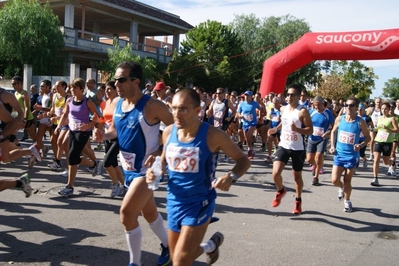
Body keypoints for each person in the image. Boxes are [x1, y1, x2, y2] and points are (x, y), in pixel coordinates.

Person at [146, 88, 250, 265]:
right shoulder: (168, 132)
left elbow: (243, 160)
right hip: (174, 202)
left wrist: (231, 176)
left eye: (183, 109)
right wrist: (155, 170)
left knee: (180, 261)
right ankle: (210, 246)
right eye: (174, 108)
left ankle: (208, 246)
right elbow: (164, 159)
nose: (177, 114)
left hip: (199, 203)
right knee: (177, 256)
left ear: (197, 111)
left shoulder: (213, 135)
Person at [92, 61, 174, 266]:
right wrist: (103, 135)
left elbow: (178, 130)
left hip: (148, 170)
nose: (115, 84)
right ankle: (169, 246)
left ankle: (134, 263)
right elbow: (116, 131)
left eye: (120, 79)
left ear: (135, 81)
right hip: (128, 169)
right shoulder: (119, 103)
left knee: (127, 214)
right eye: (115, 80)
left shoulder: (152, 105)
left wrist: (160, 150)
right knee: (149, 212)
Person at [267, 84, 313, 215]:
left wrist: (297, 130)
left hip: (297, 148)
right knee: (275, 173)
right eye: (287, 94)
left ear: (298, 96)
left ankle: (298, 201)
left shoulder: (302, 111)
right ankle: (281, 190)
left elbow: (310, 129)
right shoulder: (283, 109)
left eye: (292, 95)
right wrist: (276, 129)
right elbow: (284, 121)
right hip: (284, 145)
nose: (288, 97)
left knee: (297, 177)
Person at [55, 78, 103, 197]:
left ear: (81, 89)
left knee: (72, 157)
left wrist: (89, 124)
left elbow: (98, 116)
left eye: (74, 88)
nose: (71, 90)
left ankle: (69, 186)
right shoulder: (69, 100)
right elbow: (65, 114)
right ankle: (94, 164)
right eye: (71, 88)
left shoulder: (87, 102)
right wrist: (59, 126)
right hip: (72, 131)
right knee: (74, 157)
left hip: (83, 133)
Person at [329, 97, 371, 212]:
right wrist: (332, 145)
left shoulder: (360, 121)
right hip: (339, 154)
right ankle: (341, 187)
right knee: (334, 180)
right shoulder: (340, 119)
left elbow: (368, 137)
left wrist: (360, 145)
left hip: (352, 156)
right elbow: (333, 131)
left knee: (348, 180)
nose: (348, 107)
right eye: (346, 105)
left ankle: (347, 202)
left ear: (356, 107)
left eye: (351, 105)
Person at [92, 81, 125, 197]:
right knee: (114, 164)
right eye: (105, 89)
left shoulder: (119, 102)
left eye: (110, 89)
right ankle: (124, 185)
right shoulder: (103, 104)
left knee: (106, 163)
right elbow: (104, 120)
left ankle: (115, 184)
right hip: (107, 135)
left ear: (116, 90)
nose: (107, 91)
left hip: (117, 136)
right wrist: (97, 121)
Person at [306, 96, 335, 185]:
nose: (317, 107)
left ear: (323, 104)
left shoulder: (328, 113)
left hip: (322, 139)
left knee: (318, 157)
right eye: (315, 105)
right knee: (309, 159)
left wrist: (328, 132)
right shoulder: (311, 112)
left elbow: (333, 126)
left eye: (318, 105)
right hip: (312, 137)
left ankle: (316, 177)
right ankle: (316, 165)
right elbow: (307, 123)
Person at [370, 102, 399, 186]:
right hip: (378, 140)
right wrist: (372, 130)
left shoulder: (392, 119)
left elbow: (397, 130)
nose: (384, 110)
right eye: (382, 109)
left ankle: (391, 163)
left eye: (386, 109)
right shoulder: (379, 118)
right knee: (376, 159)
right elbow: (377, 129)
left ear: (389, 109)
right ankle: (375, 178)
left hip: (387, 142)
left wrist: (387, 128)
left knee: (385, 161)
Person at [236, 91, 261, 159]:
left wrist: (260, 116)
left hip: (253, 123)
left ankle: (249, 150)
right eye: (245, 96)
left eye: (248, 96)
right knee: (247, 138)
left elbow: (261, 109)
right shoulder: (241, 104)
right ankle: (250, 149)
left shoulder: (255, 103)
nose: (246, 97)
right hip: (245, 123)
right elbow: (238, 112)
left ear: (251, 97)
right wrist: (240, 115)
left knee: (248, 135)